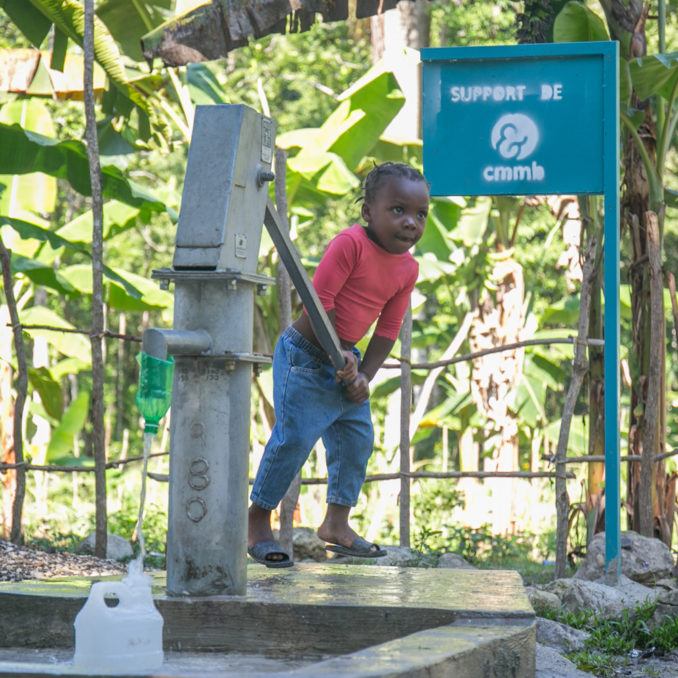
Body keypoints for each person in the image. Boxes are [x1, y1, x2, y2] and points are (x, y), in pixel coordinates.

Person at [248, 162, 430, 567]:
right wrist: (339, 355)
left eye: (421, 215)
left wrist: (364, 376)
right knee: (293, 438)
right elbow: (319, 303)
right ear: (368, 212)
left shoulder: (408, 269)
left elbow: (388, 328)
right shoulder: (349, 244)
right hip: (307, 358)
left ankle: (336, 522)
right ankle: (257, 521)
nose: (410, 223)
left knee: (357, 441)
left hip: (347, 363)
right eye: (398, 210)